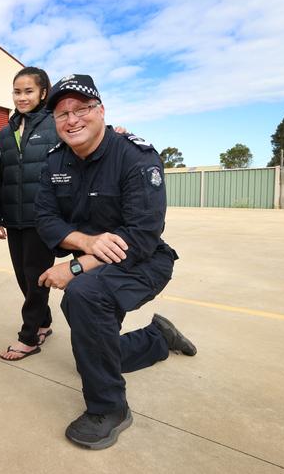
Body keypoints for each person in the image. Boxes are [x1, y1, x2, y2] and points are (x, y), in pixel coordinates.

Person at [34, 75, 197, 450]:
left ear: (101, 111)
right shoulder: (55, 161)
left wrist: (74, 266)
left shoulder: (134, 155)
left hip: (144, 260)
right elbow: (46, 219)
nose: (72, 120)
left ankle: (110, 409)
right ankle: (157, 338)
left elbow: (142, 234)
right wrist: (87, 242)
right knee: (95, 350)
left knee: (83, 297)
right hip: (99, 259)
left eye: (82, 110)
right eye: (62, 114)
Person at [0, 67, 59, 361]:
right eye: (17, 91)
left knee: (36, 277)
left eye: (28, 91)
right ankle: (44, 322)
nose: (22, 97)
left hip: (43, 217)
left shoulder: (56, 125)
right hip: (13, 218)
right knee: (24, 277)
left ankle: (28, 337)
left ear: (43, 93)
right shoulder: (4, 133)